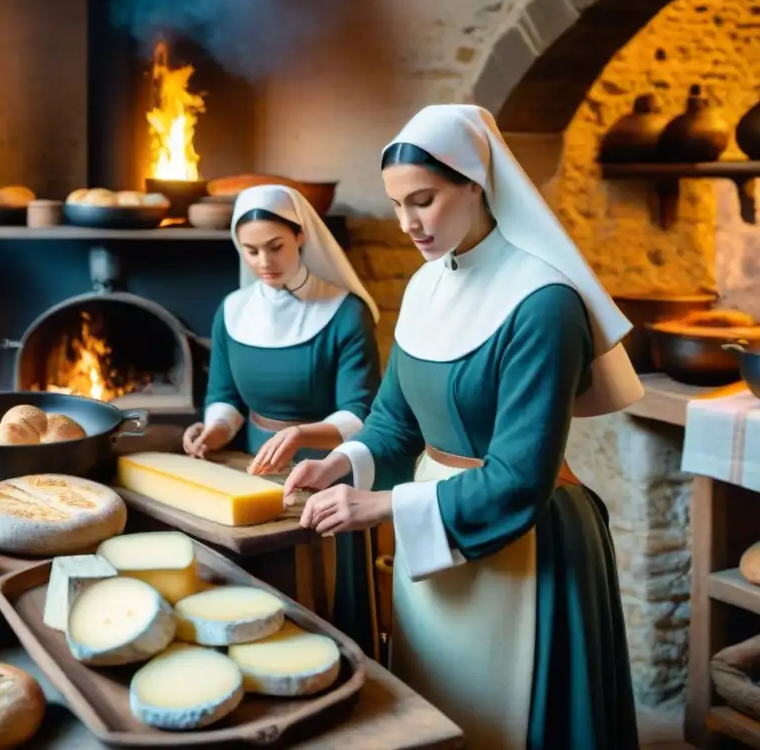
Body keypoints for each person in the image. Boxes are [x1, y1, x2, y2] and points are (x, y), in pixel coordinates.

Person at [283, 105, 645, 750]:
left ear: (475, 183)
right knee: (438, 707)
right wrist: (343, 463)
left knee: (506, 720)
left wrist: (384, 504)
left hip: (525, 549)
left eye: (423, 200)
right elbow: (396, 419)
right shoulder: (425, 286)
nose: (408, 224)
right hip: (436, 543)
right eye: (397, 205)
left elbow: (518, 478)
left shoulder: (543, 302)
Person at [183, 184, 383, 656]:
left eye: (275, 247)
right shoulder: (232, 311)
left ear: (301, 237)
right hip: (252, 465)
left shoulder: (345, 313)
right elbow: (226, 396)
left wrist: (300, 434)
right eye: (250, 251)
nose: (264, 262)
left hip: (327, 468)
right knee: (259, 590)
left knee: (324, 593)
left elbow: (361, 412)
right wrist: (214, 429)